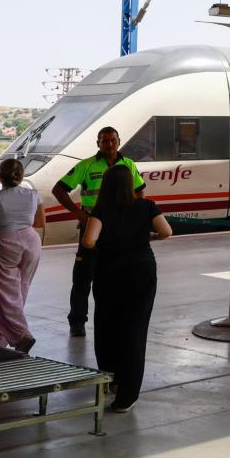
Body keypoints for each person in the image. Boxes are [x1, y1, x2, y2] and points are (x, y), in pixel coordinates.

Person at [82, 165, 171, 413]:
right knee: (134, 330)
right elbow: (166, 231)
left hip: (108, 272)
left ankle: (111, 379)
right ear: (131, 184)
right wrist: (145, 238)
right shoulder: (147, 206)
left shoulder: (101, 209)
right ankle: (127, 396)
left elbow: (89, 241)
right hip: (141, 271)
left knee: (107, 326)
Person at [53, 127, 143, 337]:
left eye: (112, 140)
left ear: (119, 141)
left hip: (118, 227)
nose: (109, 144)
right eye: (104, 141)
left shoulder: (128, 164)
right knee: (83, 276)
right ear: (98, 143)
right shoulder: (86, 165)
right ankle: (77, 321)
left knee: (120, 273)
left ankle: (117, 318)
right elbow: (59, 189)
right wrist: (78, 213)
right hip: (93, 224)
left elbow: (139, 192)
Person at [0, 158, 44, 352]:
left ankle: (21, 336)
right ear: (22, 176)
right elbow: (40, 222)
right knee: (21, 289)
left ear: (0, 176)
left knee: (6, 294)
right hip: (31, 240)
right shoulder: (34, 195)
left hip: (6, 241)